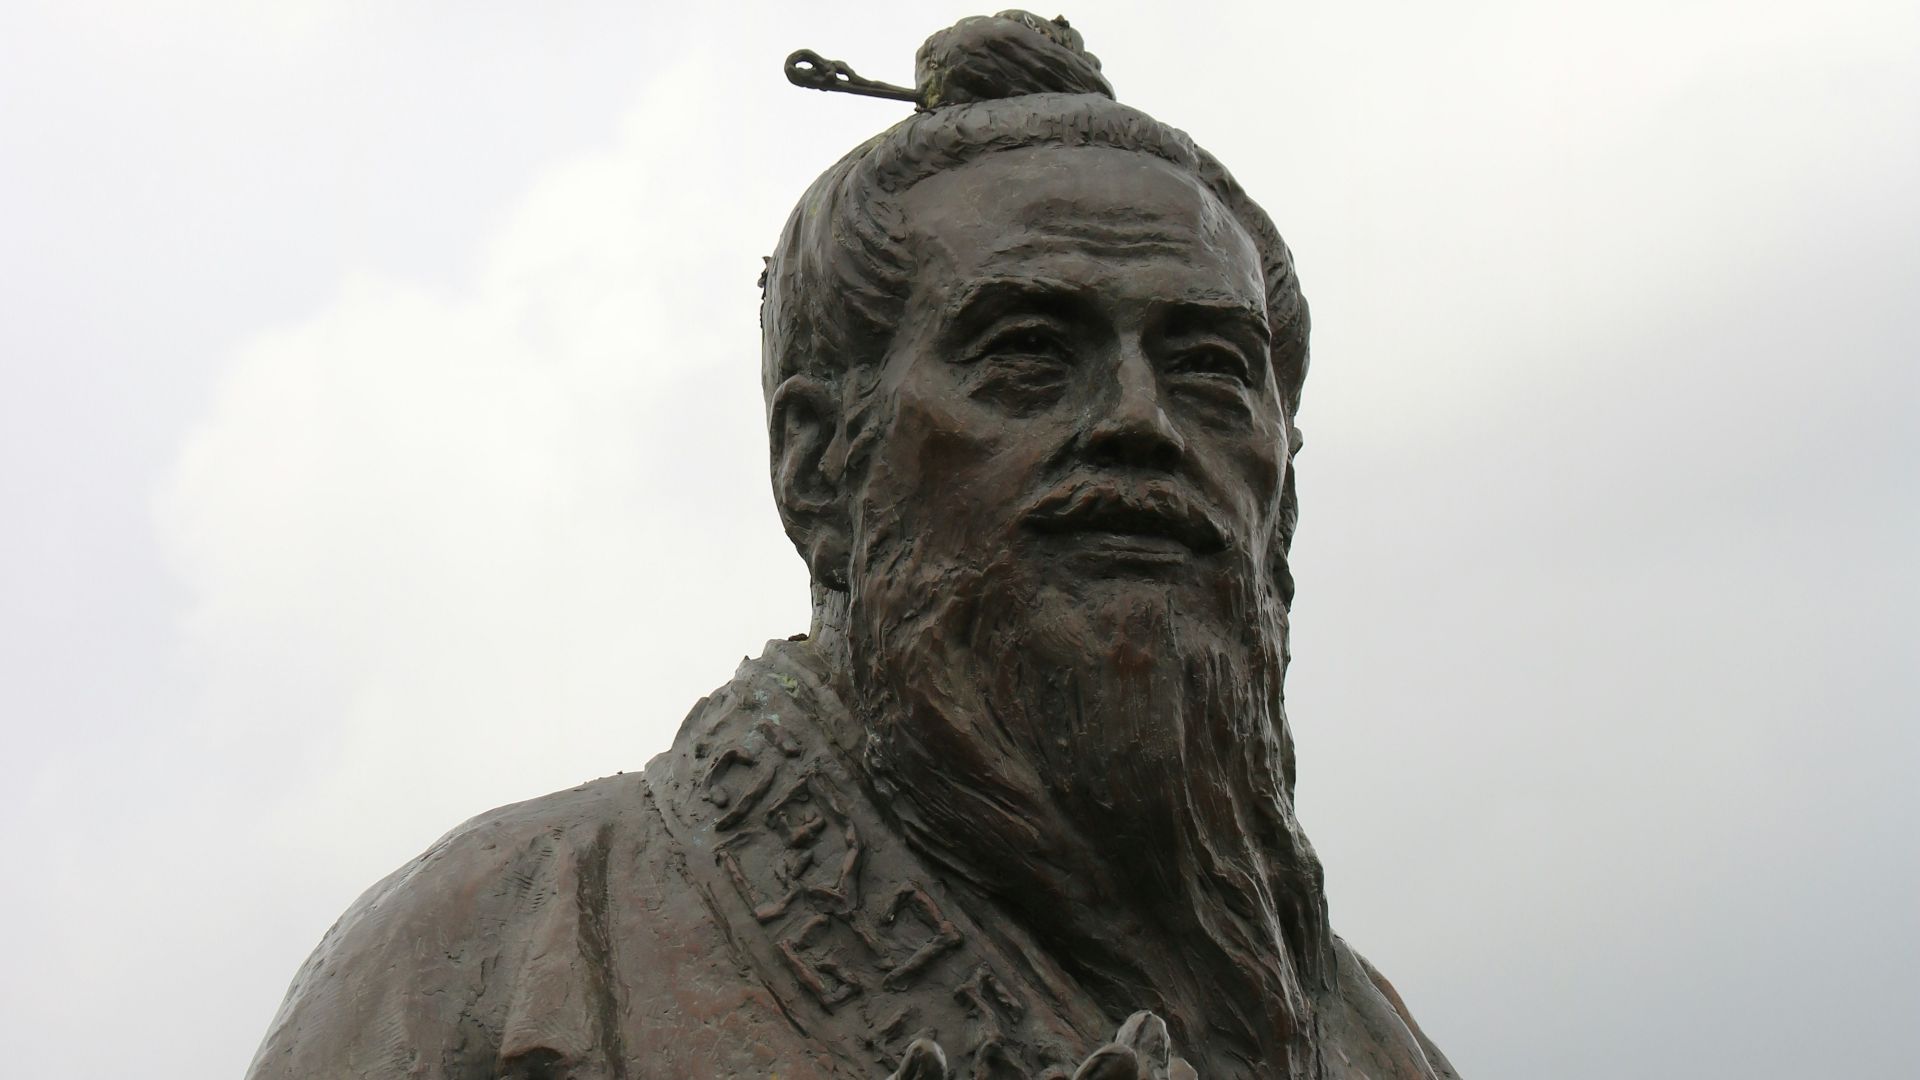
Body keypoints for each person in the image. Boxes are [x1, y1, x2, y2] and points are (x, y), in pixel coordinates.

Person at [246, 13, 1459, 1079]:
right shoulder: (506, 947)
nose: (1141, 423)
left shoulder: (1374, 1047)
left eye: (1209, 372)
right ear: (818, 461)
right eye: (1031, 355)